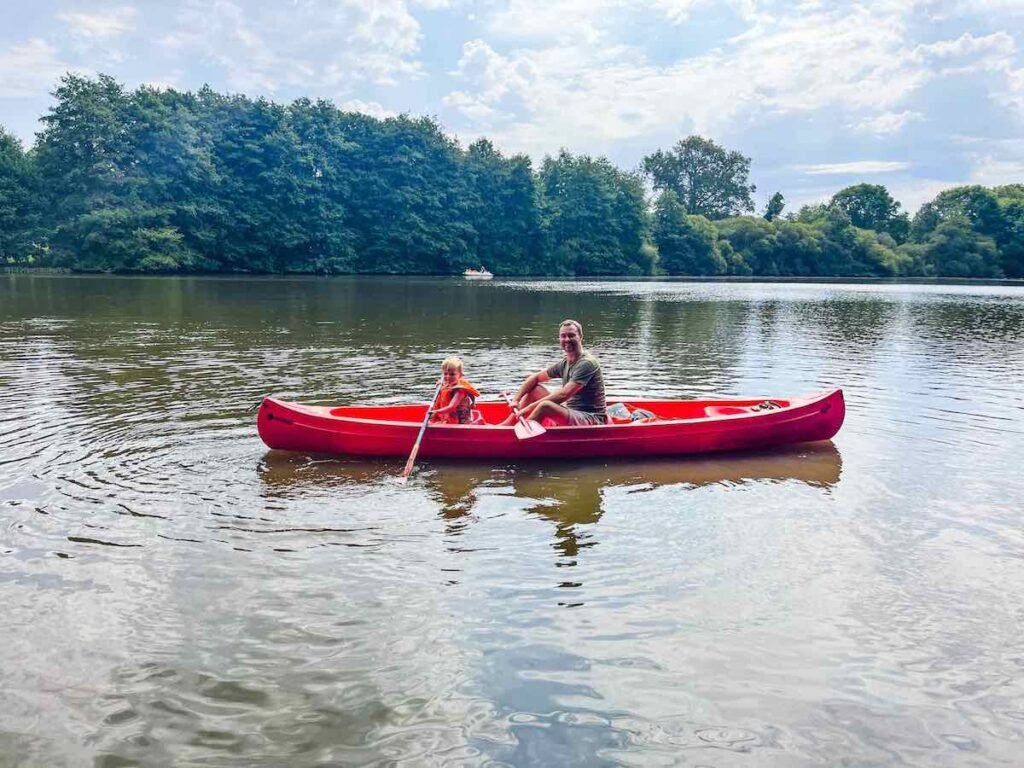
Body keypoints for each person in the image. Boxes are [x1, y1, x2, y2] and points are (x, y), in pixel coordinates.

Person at [501, 319, 606, 427]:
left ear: (580, 337)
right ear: (559, 339)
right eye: (563, 336)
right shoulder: (565, 363)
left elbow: (564, 394)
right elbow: (535, 378)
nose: (567, 339)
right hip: (572, 411)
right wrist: (516, 400)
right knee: (535, 390)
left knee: (545, 406)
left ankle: (521, 434)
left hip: (592, 418)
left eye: (571, 335)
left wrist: (528, 409)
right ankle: (507, 426)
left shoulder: (587, 363)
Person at [430, 356, 481, 424]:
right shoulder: (447, 386)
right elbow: (444, 398)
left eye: (452, 374)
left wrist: (436, 412)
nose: (448, 377)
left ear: (460, 375)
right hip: (449, 420)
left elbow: (451, 407)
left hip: (461, 424)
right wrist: (440, 389)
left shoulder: (460, 391)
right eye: (445, 374)